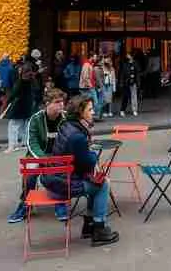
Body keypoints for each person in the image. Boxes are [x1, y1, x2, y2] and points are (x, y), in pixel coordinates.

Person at [43, 95, 119, 246]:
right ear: (80, 113)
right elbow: (89, 162)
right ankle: (99, 229)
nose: (93, 112)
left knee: (95, 181)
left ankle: (89, 225)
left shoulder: (66, 125)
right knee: (103, 184)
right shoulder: (78, 136)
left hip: (55, 178)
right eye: (90, 110)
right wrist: (90, 150)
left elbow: (80, 162)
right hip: (63, 184)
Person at [7, 88, 68, 224]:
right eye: (57, 102)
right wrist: (43, 159)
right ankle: (25, 203)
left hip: (57, 156)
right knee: (29, 174)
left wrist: (56, 159)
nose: (61, 105)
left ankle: (60, 202)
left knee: (61, 171)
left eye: (62, 102)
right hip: (36, 155)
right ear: (47, 103)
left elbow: (69, 140)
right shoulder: (36, 119)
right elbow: (31, 142)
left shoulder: (66, 118)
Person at [5, 58, 40, 153]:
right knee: (26, 125)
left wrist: (7, 102)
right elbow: (37, 91)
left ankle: (12, 145)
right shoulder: (33, 81)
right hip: (29, 105)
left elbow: (13, 93)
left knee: (13, 126)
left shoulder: (20, 81)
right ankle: (25, 143)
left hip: (18, 105)